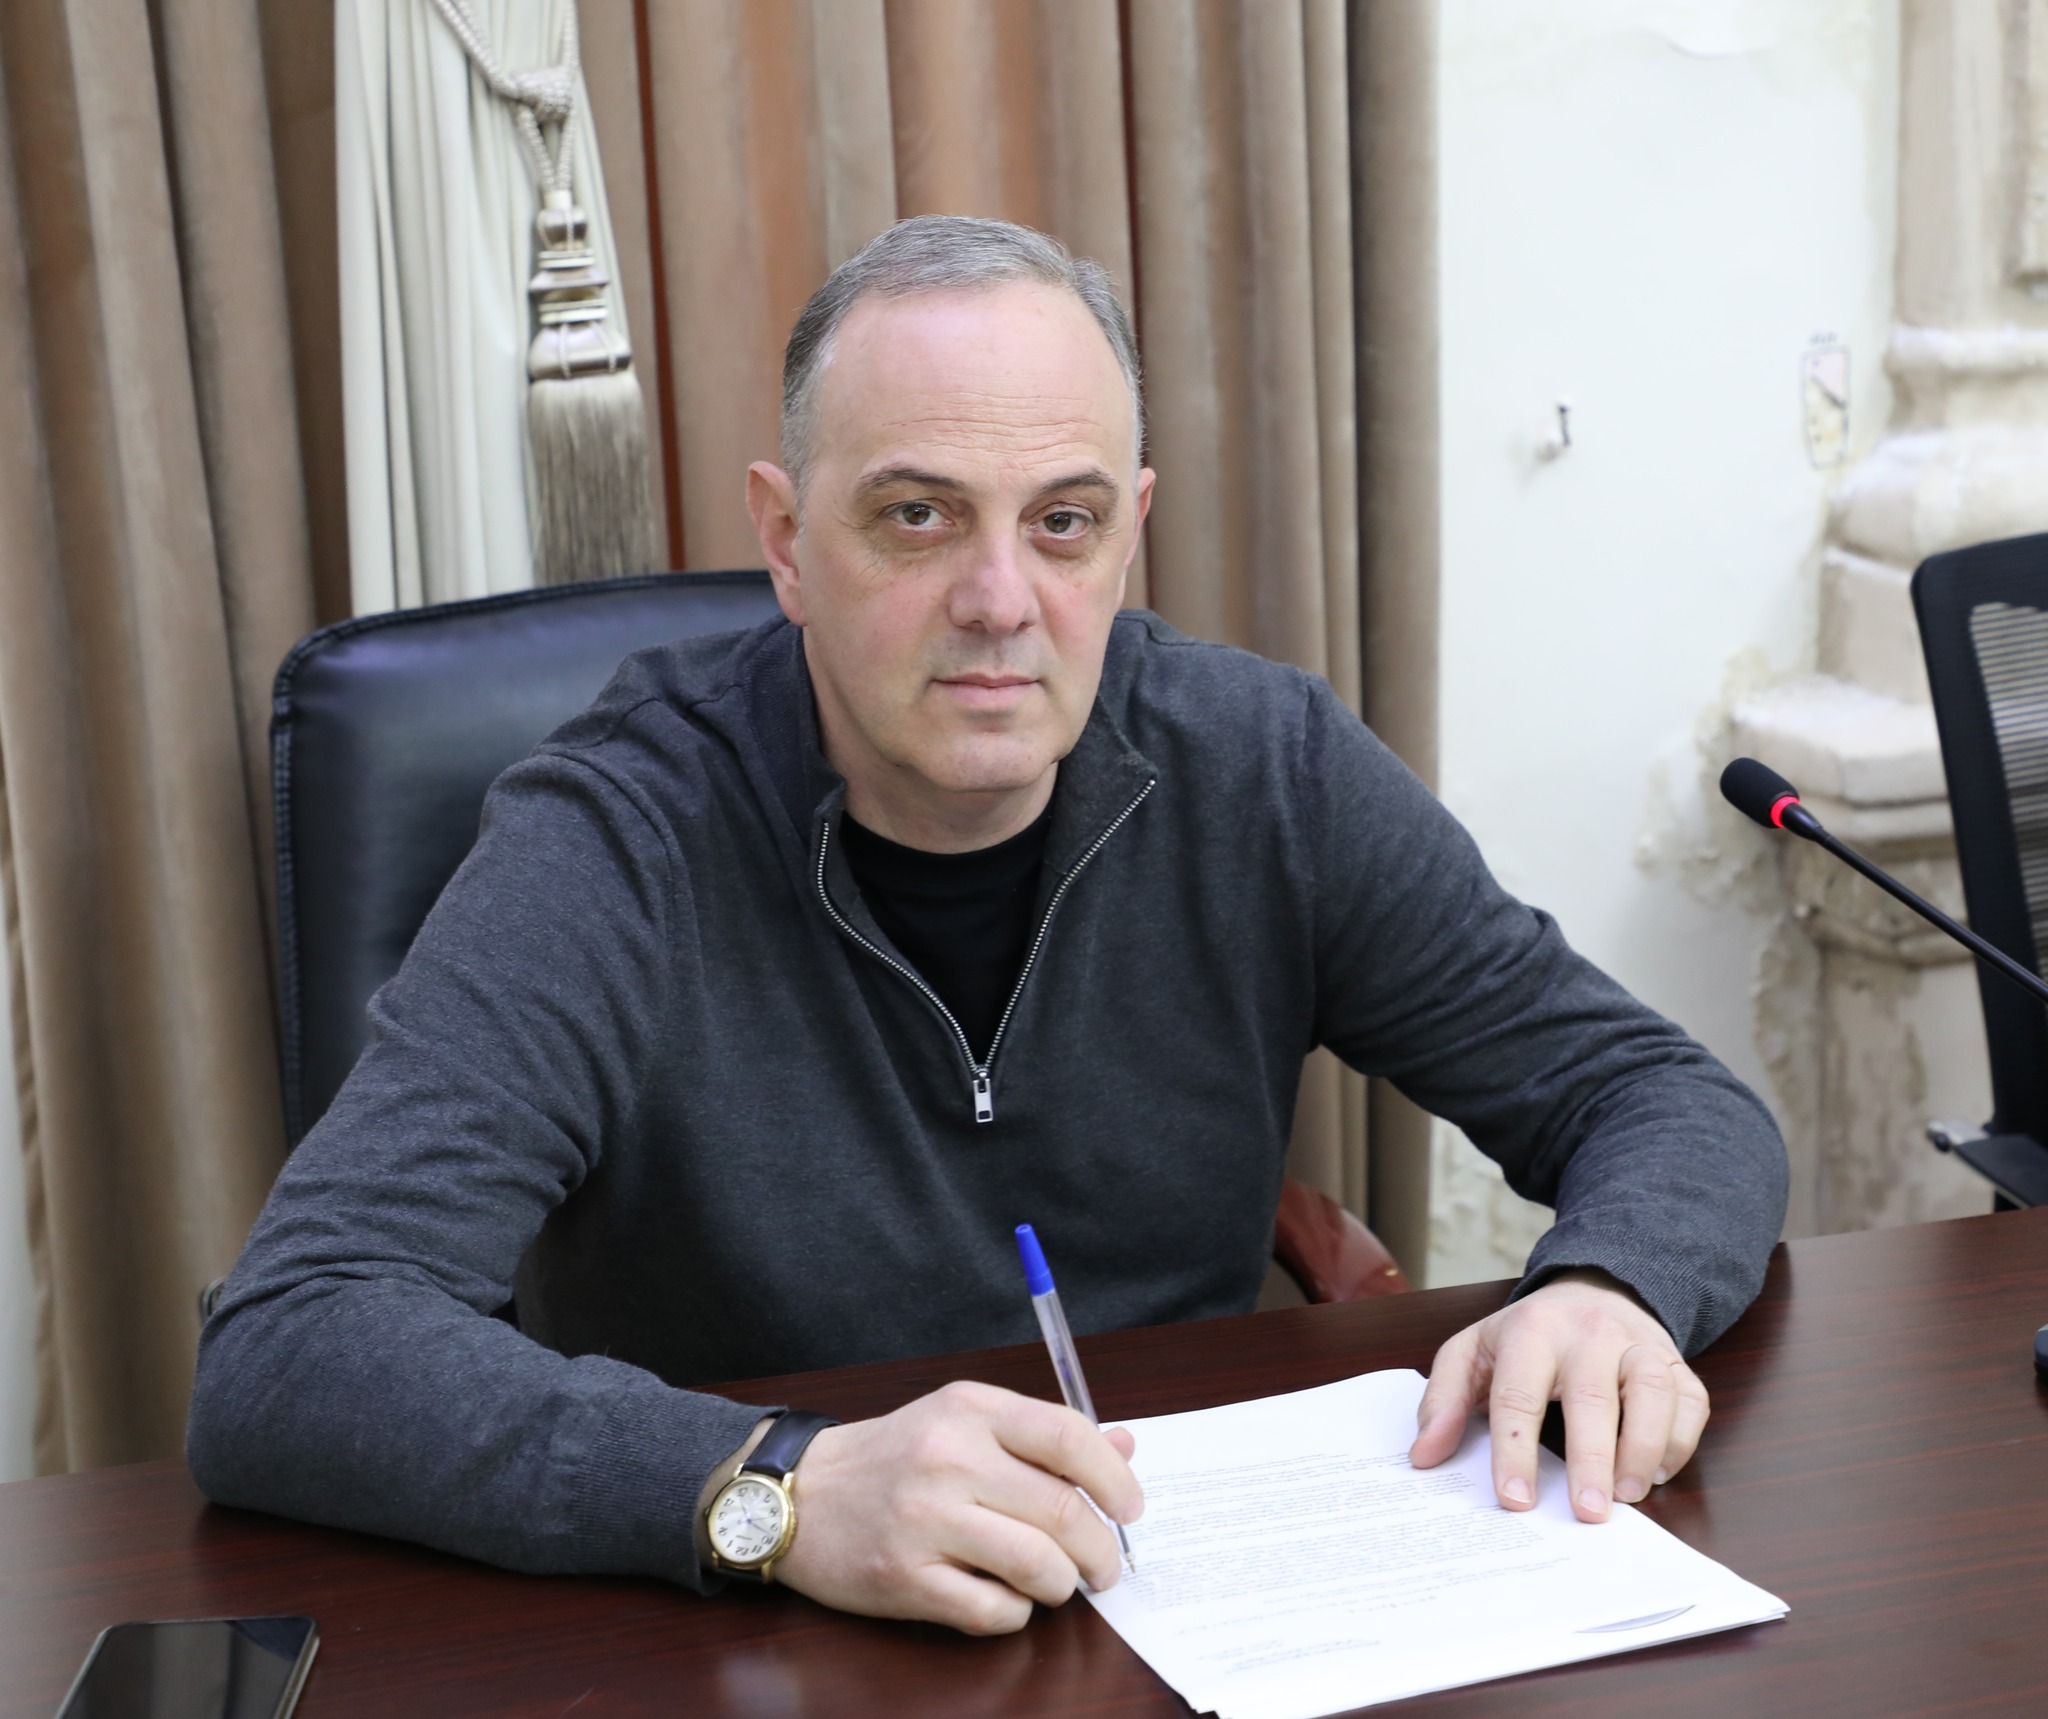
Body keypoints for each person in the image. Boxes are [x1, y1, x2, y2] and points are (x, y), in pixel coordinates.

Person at [189, 216, 1787, 1637]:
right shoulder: (616, 836)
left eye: (1064, 521)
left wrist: (1613, 1284)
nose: (1002, 599)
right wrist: (777, 1486)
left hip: (1185, 1593)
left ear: (1130, 529)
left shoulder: (1265, 772)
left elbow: (1660, 1099)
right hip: (748, 1637)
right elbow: (293, 1343)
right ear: (786, 540)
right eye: (917, 516)